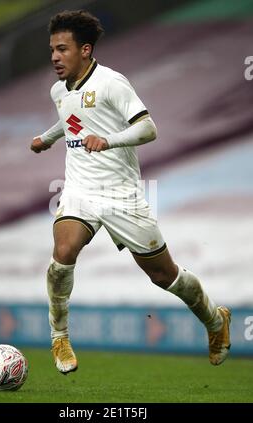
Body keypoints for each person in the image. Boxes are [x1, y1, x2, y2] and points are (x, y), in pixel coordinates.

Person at [31, 10, 231, 374]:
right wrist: (47, 138)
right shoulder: (58, 89)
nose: (55, 57)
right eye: (52, 50)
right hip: (80, 189)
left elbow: (148, 128)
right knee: (63, 251)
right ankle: (59, 336)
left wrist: (108, 140)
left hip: (121, 194)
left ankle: (215, 321)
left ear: (85, 50)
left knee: (164, 276)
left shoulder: (111, 83)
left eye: (62, 49)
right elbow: (71, 117)